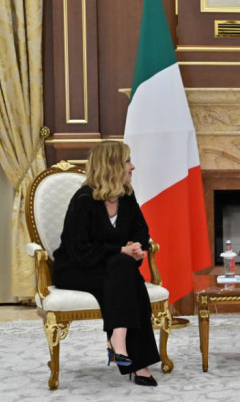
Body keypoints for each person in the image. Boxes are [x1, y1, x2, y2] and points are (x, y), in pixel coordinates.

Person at [52, 141, 161, 387]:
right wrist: (120, 250)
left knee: (124, 272)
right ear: (112, 165)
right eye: (127, 161)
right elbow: (78, 250)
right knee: (128, 277)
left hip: (112, 268)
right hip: (75, 269)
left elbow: (141, 231)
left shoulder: (126, 196)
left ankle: (118, 341)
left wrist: (136, 248)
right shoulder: (83, 200)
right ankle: (138, 363)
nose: (132, 166)